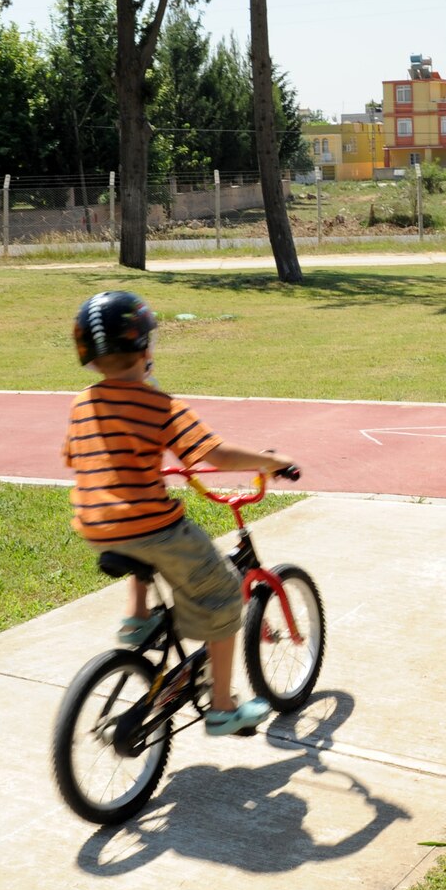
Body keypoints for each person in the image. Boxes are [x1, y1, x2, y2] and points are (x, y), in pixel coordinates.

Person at [64, 289, 295, 737]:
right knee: (225, 592)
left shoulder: (80, 404)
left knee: (137, 533)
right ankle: (224, 706)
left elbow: (74, 457)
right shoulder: (159, 406)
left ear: (89, 358)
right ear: (146, 347)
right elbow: (215, 454)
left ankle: (137, 619)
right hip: (151, 528)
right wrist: (271, 461)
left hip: (95, 524)